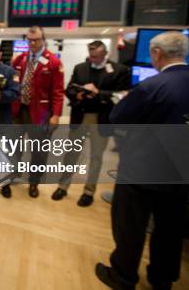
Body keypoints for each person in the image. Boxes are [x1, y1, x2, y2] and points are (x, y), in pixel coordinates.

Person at [96, 32, 189, 289]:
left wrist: (124, 101)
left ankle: (123, 276)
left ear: (157, 53)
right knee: (170, 230)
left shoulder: (151, 86)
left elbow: (118, 118)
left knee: (131, 228)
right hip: (183, 173)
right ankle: (162, 278)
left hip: (141, 171)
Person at [52, 40, 130, 207]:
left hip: (101, 118)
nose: (92, 59)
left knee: (96, 157)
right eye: (90, 55)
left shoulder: (119, 70)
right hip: (80, 115)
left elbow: (122, 96)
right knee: (71, 154)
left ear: (105, 54)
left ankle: (88, 192)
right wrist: (77, 95)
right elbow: (69, 89)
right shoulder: (81, 67)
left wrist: (98, 93)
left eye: (96, 56)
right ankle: (62, 186)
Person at [5, 26, 64, 199]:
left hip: (40, 113)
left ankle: (33, 182)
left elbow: (58, 92)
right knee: (12, 147)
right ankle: (10, 177)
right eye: (29, 40)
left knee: (39, 151)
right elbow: (13, 83)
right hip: (18, 109)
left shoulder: (53, 62)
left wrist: (56, 115)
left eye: (36, 39)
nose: (32, 43)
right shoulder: (19, 60)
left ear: (43, 40)